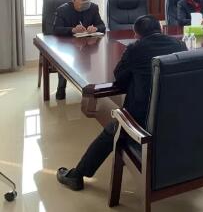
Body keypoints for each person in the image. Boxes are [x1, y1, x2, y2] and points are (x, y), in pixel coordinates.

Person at [56, 15, 186, 191]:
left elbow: (120, 78)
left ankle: (76, 175)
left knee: (113, 129)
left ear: (137, 35)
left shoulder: (135, 48)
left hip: (143, 121)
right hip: (175, 113)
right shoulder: (179, 45)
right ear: (161, 29)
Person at [52, 0, 106, 100]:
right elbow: (56, 29)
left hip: (88, 45)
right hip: (67, 46)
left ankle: (92, 88)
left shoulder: (93, 8)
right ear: (74, 0)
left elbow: (102, 26)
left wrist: (95, 28)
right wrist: (72, 29)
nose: (88, 2)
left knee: (98, 58)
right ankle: (61, 88)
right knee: (64, 61)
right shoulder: (62, 10)